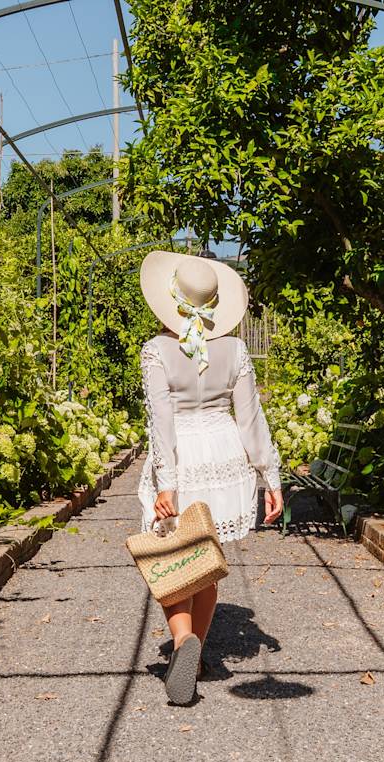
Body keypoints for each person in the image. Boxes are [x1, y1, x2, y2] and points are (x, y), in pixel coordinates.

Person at [135, 250, 282, 705]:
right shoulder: (235, 349)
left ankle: (182, 643)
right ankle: (196, 658)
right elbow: (251, 419)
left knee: (171, 556)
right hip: (224, 455)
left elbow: (162, 422)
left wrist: (166, 482)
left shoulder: (157, 350)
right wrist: (270, 476)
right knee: (208, 560)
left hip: (182, 454)